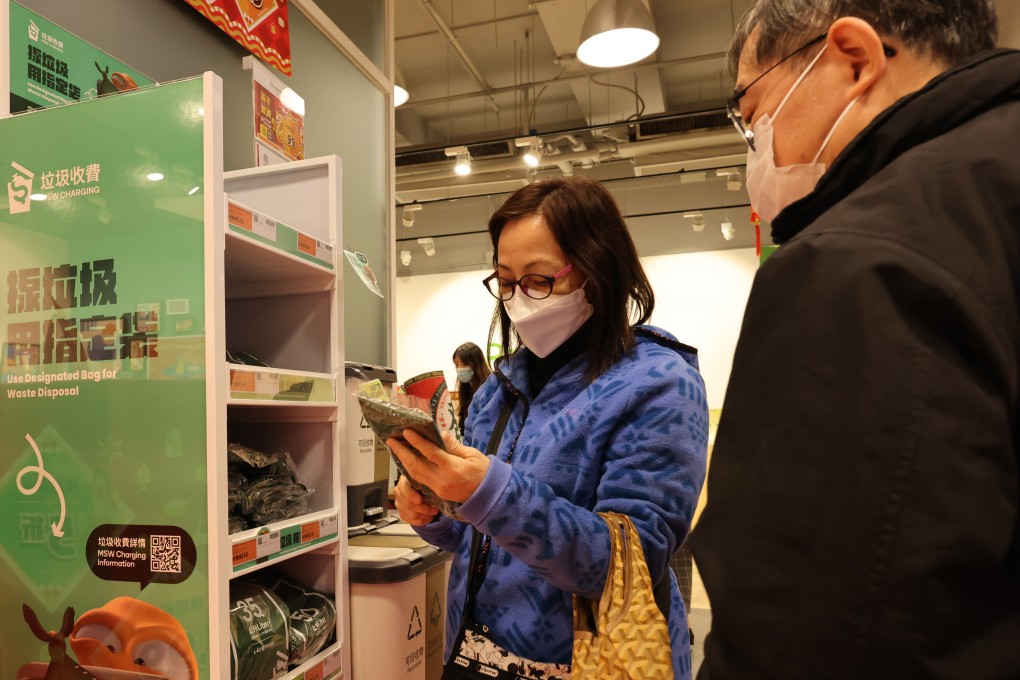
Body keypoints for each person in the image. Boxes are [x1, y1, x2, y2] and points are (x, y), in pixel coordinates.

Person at [691, 1, 1020, 677]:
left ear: (855, 60)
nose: (757, 148)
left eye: (753, 116)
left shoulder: (861, 258)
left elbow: (816, 621)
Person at [390, 176, 709, 679]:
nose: (519, 299)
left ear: (597, 270)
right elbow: (483, 543)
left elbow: (630, 566)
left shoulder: (660, 383)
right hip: (468, 654)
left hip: (589, 665)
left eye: (540, 279)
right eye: (505, 280)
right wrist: (435, 514)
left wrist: (489, 492)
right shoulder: (500, 389)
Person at [451, 341, 491, 439]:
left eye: (464, 364)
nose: (460, 369)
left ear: (476, 364)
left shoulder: (489, 391)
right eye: (457, 365)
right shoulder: (466, 391)